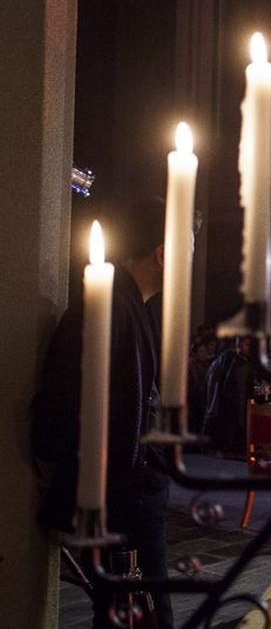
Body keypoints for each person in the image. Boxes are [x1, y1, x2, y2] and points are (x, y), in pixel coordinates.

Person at [31, 197, 173, 628]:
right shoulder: (107, 305)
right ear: (165, 254)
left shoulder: (133, 305)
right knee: (135, 615)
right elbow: (63, 399)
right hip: (119, 498)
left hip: (133, 491)